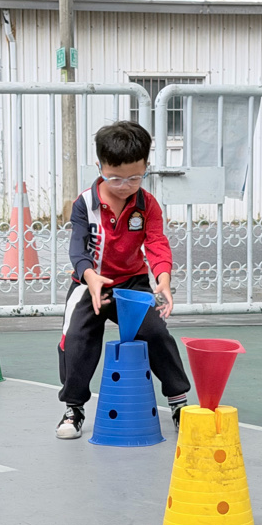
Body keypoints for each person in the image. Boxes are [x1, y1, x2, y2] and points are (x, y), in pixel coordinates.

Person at [56, 120, 190, 439]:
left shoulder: (147, 205)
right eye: (115, 178)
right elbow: (78, 249)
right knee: (76, 339)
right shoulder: (84, 204)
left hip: (132, 284)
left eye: (134, 178)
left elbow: (156, 242)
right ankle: (74, 408)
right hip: (89, 284)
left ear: (145, 168)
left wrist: (163, 278)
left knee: (156, 333)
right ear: (100, 166)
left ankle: (179, 403)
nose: (124, 185)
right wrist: (90, 277)